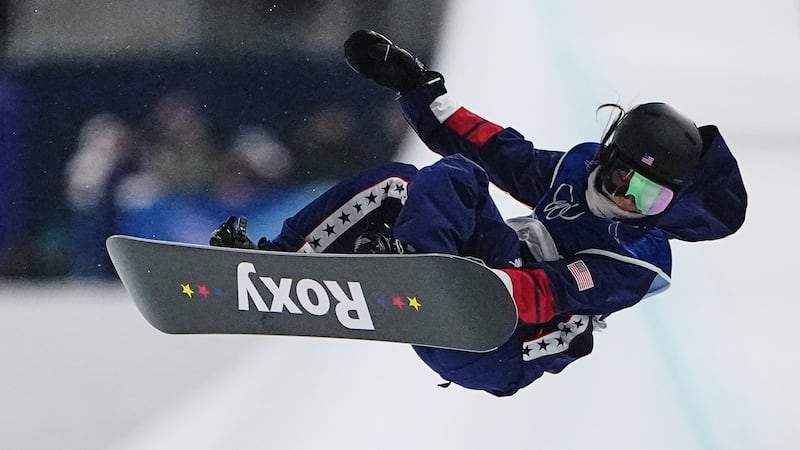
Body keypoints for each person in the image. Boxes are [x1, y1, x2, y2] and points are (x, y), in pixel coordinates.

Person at [210, 30, 747, 396]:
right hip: (466, 293)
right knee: (408, 179)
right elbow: (497, 151)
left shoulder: (640, 255)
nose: (627, 199)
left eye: (650, 198)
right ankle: (275, 265)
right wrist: (417, 90)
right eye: (621, 179)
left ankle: (418, 267)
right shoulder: (577, 173)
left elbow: (553, 292)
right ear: (606, 157)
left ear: (672, 204)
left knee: (461, 185)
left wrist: (461, 286)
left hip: (503, 344)